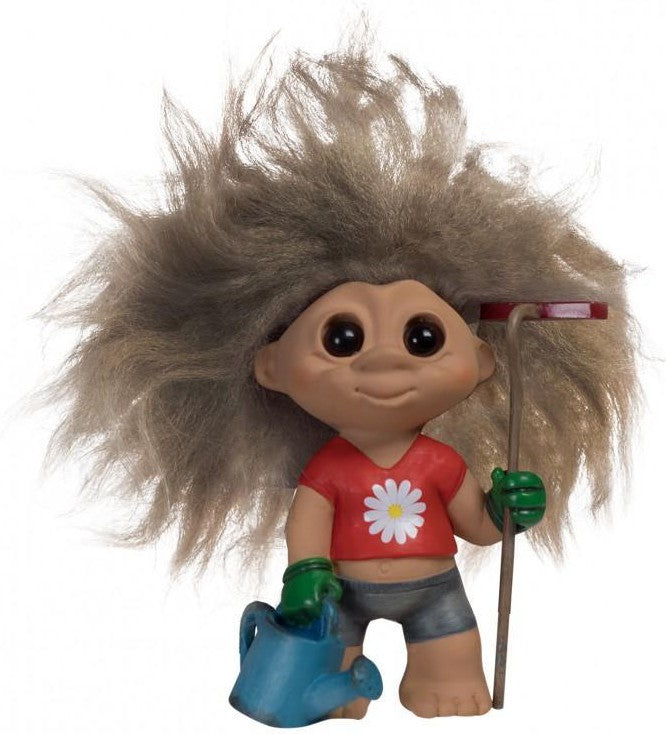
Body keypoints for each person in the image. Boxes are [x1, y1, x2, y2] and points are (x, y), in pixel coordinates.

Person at [39, 35, 638, 719]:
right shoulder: (328, 471)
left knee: (451, 662)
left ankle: (435, 673)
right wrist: (304, 576)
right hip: (341, 600)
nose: (384, 363)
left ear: (479, 360)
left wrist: (507, 512)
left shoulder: (441, 464)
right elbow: (308, 532)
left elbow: (474, 525)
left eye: (422, 338)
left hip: (436, 590)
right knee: (333, 672)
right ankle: (339, 687)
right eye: (343, 338)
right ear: (271, 365)